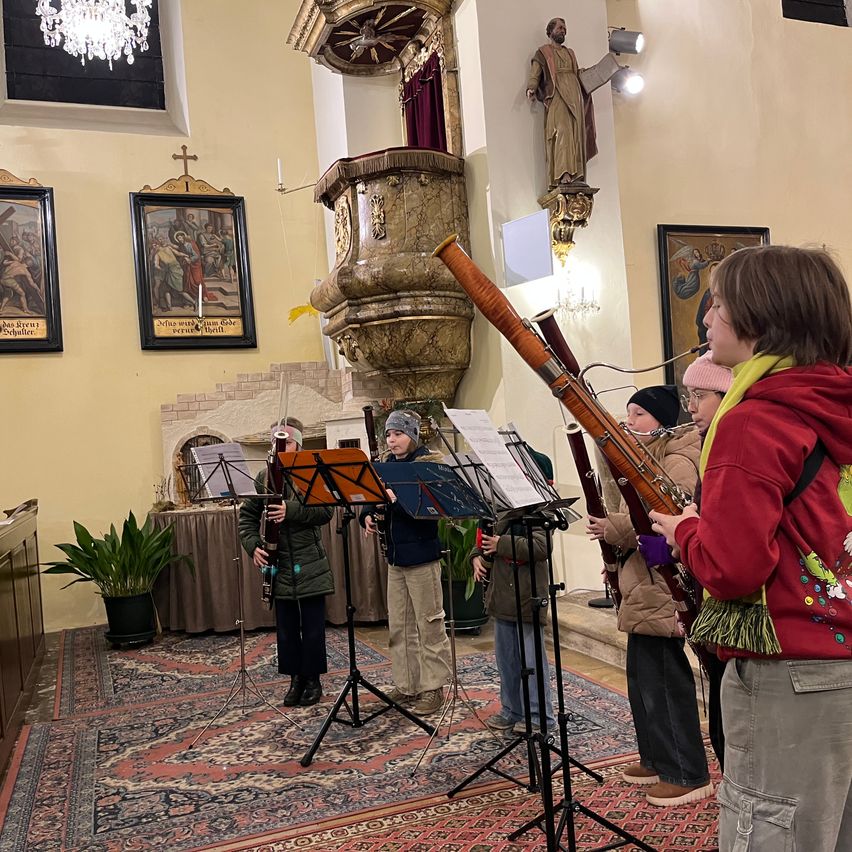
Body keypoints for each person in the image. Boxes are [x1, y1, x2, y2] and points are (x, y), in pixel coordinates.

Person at [651, 245, 852, 851]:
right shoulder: (833, 402)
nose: (706, 319)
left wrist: (686, 531)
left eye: (717, 305)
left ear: (761, 319)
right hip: (842, 650)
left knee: (770, 832)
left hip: (789, 667)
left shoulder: (752, 420)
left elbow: (736, 568)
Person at [587, 385, 713, 807]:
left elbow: (662, 516)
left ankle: (686, 770)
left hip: (663, 574)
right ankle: (657, 757)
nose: (630, 422)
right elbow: (623, 501)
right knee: (643, 678)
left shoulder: (678, 456)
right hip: (642, 573)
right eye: (628, 414)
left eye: (638, 414)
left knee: (663, 677)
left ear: (661, 419)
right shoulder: (644, 455)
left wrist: (614, 528)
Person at [639, 352, 734, 772]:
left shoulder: (727, 444)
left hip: (731, 604)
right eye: (689, 396)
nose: (690, 406)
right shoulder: (715, 444)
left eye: (700, 395)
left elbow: (729, 545)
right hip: (709, 590)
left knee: (727, 721)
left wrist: (686, 531)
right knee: (720, 716)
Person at [360, 410, 452, 715]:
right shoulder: (384, 466)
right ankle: (407, 684)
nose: (392, 439)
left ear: (412, 435)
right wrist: (368, 515)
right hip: (396, 559)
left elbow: (429, 510)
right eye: (388, 434)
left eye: (398, 433)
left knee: (429, 623)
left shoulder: (426, 464)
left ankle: (432, 687)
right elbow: (370, 500)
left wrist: (394, 501)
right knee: (399, 625)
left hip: (422, 557)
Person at [239, 418, 334, 707]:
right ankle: (295, 679)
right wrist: (253, 546)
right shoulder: (264, 476)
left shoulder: (311, 472)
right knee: (287, 628)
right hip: (279, 565)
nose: (280, 448)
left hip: (309, 563)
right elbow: (247, 518)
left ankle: (313, 678)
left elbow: (325, 512)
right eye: (276, 443)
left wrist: (289, 510)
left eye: (287, 442)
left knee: (314, 627)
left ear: (298, 445)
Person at [471, 451, 555, 735]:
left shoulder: (538, 509)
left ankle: (539, 716)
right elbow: (484, 537)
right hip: (501, 595)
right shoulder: (498, 507)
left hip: (527, 595)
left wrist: (501, 544)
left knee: (531, 662)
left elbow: (542, 547)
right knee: (506, 661)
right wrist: (475, 556)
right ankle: (511, 709)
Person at [526, 17, 597, 187]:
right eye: (559, 28)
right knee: (562, 130)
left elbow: (577, 73)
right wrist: (531, 87)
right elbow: (535, 73)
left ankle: (576, 175)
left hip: (574, 94)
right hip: (557, 93)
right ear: (550, 31)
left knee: (575, 134)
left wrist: (593, 74)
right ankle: (563, 174)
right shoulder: (543, 52)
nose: (563, 30)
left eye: (564, 28)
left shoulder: (570, 52)